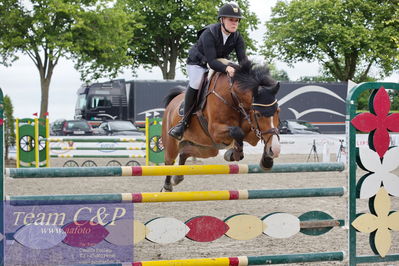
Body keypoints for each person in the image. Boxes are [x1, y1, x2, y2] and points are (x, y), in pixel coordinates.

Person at [168, 2, 248, 140]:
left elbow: (243, 61)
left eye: (236, 20)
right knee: (197, 82)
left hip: (219, 62)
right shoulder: (209, 33)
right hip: (198, 62)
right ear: (222, 20)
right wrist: (227, 68)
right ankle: (184, 122)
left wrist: (249, 74)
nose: (234, 23)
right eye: (231, 20)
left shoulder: (237, 37)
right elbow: (211, 62)